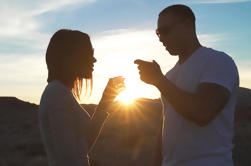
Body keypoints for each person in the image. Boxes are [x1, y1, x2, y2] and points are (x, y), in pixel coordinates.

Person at [134, 4, 239, 166]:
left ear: (188, 25)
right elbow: (167, 124)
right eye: (158, 32)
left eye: (165, 30)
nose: (161, 38)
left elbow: (203, 112)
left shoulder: (218, 61)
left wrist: (159, 81)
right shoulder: (170, 75)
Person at [38, 29, 125, 166]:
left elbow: (81, 147)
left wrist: (105, 101)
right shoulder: (57, 94)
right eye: (89, 54)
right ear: (71, 57)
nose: (94, 60)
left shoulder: (62, 92)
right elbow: (68, 160)